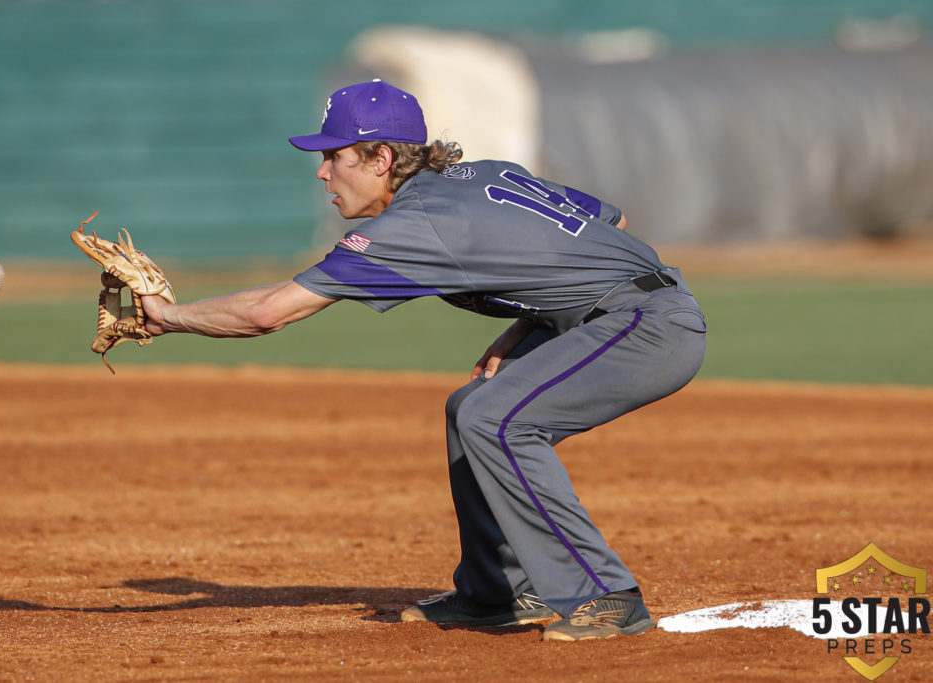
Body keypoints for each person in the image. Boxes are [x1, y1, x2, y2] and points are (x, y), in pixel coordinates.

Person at [141, 79, 707, 642]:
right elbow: (612, 224)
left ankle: (604, 595)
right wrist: (525, 326)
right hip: (635, 311)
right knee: (472, 407)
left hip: (647, 327)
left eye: (333, 156)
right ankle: (496, 592)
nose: (322, 173)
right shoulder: (485, 174)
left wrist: (168, 316)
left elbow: (268, 312)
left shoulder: (412, 225)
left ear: (381, 158)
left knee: (498, 419)